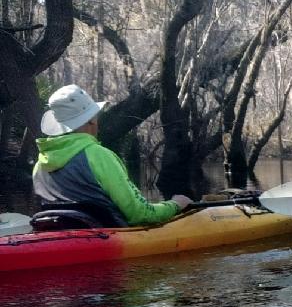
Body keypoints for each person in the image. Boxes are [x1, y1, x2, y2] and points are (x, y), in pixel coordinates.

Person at [32, 85, 191, 226]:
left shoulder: (40, 164)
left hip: (56, 234)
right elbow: (140, 214)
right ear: (91, 121)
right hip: (104, 239)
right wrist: (175, 204)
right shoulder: (99, 156)